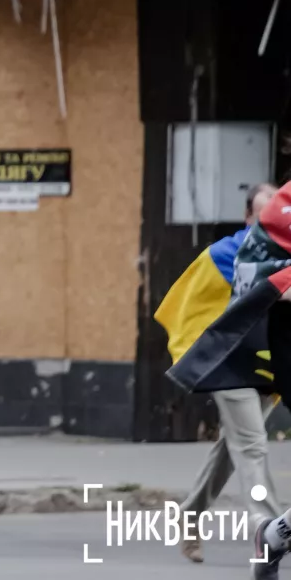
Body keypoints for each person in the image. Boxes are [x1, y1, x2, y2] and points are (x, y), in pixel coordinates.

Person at [161, 183, 280, 562]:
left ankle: (190, 514)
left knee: (233, 448)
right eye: (262, 215)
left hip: (264, 363)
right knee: (252, 445)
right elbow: (189, 305)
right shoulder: (228, 253)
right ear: (249, 217)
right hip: (226, 363)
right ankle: (271, 529)